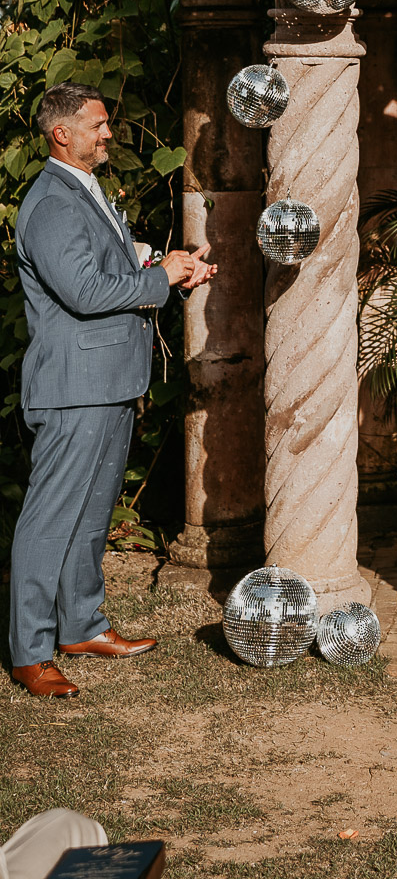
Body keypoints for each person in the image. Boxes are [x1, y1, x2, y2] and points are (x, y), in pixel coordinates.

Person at [9, 83, 215, 699]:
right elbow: (84, 292)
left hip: (110, 381)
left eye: (106, 124)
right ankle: (29, 649)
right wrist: (161, 277)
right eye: (97, 126)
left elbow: (110, 257)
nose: (107, 134)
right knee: (50, 521)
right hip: (74, 387)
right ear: (61, 134)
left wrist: (162, 258)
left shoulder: (83, 189)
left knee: (92, 514)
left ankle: (82, 626)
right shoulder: (49, 203)